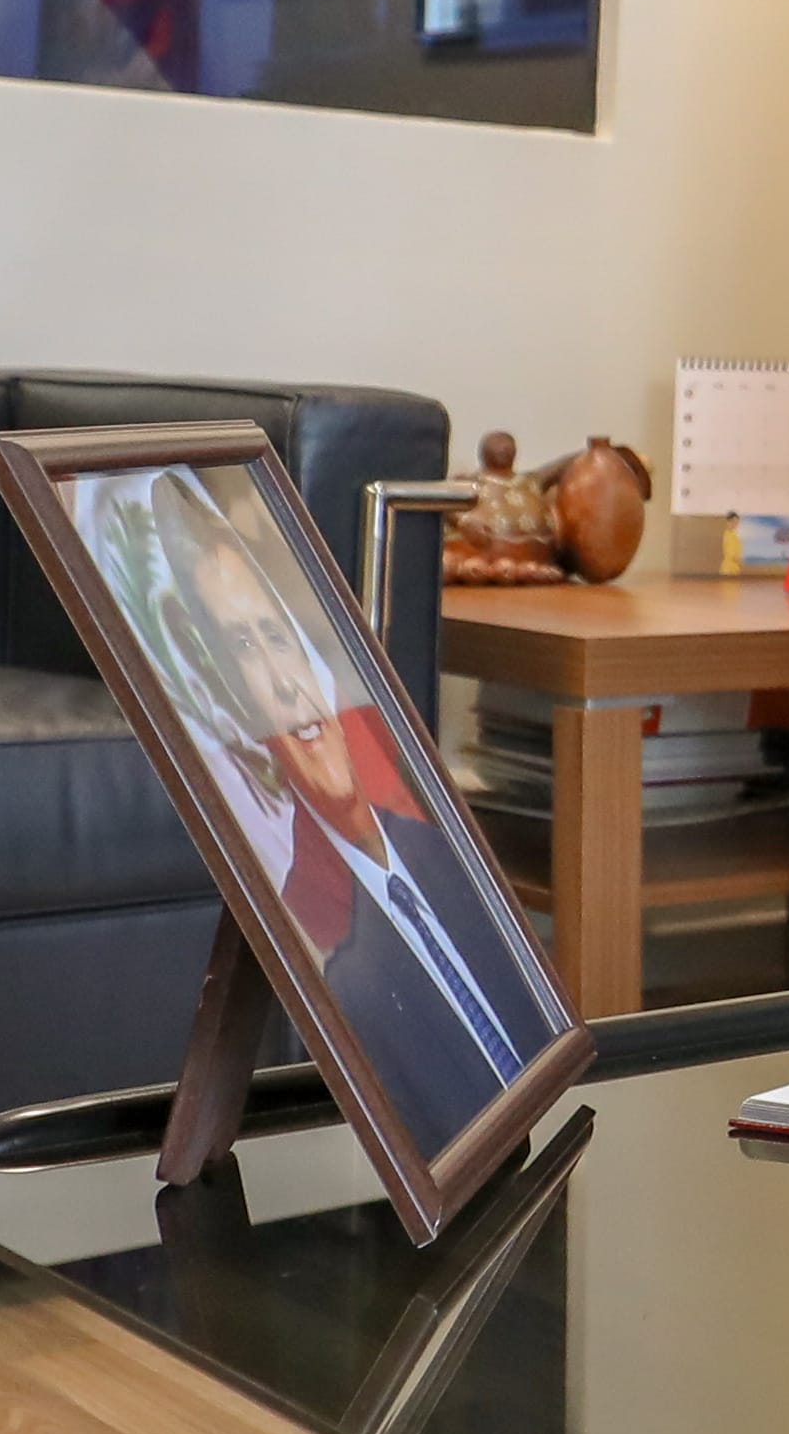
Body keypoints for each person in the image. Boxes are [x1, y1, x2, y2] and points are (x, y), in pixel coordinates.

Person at [149, 473, 556, 1152]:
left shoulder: (442, 854)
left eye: (276, 637)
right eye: (244, 649)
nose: (284, 681)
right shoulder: (336, 958)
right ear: (231, 702)